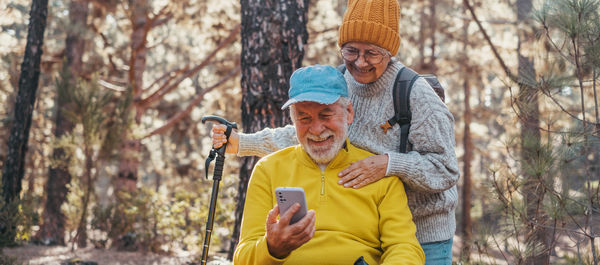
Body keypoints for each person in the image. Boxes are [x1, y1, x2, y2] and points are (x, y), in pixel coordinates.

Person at [216, 0, 459, 263]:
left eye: (372, 53)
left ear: (390, 51)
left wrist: (389, 164)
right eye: (351, 51)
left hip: (423, 227)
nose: (360, 62)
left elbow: (445, 169)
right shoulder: (339, 82)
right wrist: (242, 143)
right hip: (364, 214)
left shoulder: (415, 94)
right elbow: (307, 131)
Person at [233, 65, 424, 265]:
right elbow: (243, 257)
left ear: (348, 112)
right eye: (304, 118)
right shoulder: (268, 170)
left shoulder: (378, 173)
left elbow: (404, 247)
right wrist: (272, 248)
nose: (316, 129)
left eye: (326, 115)